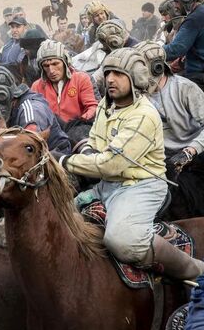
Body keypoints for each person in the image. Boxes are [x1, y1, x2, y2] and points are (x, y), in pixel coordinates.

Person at [58, 47, 204, 281]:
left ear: (135, 77)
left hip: (140, 186)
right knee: (58, 220)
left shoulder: (143, 114)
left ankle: (194, 270)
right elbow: (95, 140)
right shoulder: (108, 106)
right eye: (107, 73)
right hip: (108, 185)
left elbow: (111, 164)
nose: (110, 79)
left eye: (118, 74)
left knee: (121, 240)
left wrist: (64, 160)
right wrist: (88, 151)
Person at [136, 41, 204, 214]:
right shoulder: (138, 96)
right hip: (161, 159)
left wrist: (190, 151)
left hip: (194, 155)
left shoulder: (185, 88)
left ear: (156, 67)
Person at [0, 66, 71, 154]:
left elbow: (29, 145)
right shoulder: (15, 107)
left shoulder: (30, 109)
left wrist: (4, 132)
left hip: (55, 161)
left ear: (2, 94)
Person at [31, 40, 99, 124]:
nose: (51, 70)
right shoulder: (37, 87)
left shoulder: (81, 79)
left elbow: (93, 107)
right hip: (51, 132)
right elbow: (34, 115)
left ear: (65, 62)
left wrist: (79, 123)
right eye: (46, 66)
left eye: (55, 64)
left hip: (80, 129)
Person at [163, 0, 204, 74]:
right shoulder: (201, 12)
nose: (176, 6)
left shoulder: (193, 19)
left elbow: (176, 49)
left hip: (198, 75)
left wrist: (154, 51)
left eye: (177, 2)